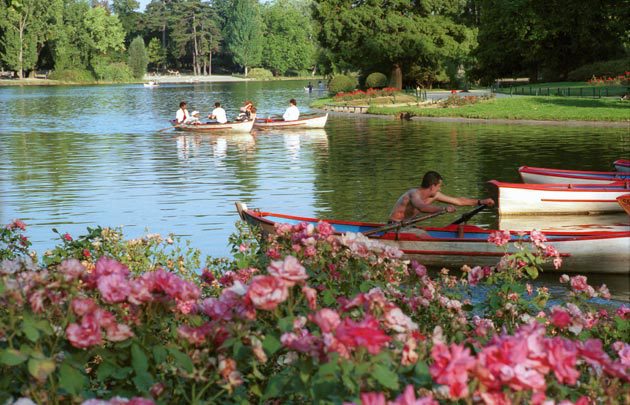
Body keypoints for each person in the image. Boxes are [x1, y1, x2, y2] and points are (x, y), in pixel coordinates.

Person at [388, 171, 495, 223]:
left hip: (407, 226)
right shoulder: (413, 194)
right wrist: (443, 209)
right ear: (432, 186)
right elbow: (422, 207)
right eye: (439, 186)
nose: (440, 189)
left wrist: (481, 201)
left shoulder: (435, 195)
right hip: (393, 227)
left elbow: (458, 201)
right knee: (424, 237)